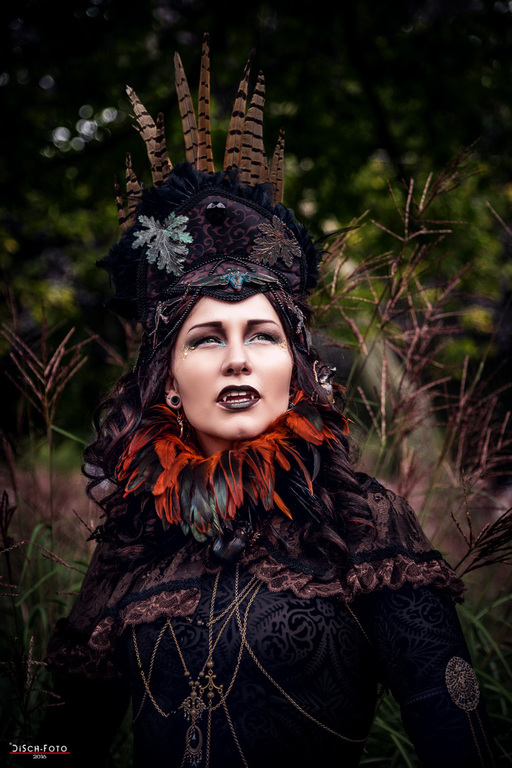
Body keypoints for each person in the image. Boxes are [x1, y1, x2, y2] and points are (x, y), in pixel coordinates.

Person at [43, 34, 496, 768]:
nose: (237, 359)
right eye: (205, 339)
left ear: (297, 366)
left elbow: (461, 743)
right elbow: (52, 746)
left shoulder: (362, 519)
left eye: (262, 335)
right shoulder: (131, 537)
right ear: (167, 377)